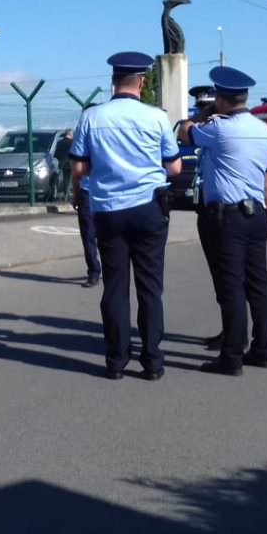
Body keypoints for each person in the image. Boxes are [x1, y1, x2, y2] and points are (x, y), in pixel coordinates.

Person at [69, 52, 182, 380]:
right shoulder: (156, 117)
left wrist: (81, 191)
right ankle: (153, 361)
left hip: (108, 210)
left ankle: (116, 361)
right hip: (149, 208)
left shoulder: (91, 117)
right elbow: (174, 166)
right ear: (142, 82)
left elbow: (79, 166)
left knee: (115, 287)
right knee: (150, 288)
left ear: (113, 81)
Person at [178, 66, 267, 377]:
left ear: (220, 99)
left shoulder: (218, 130)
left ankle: (231, 356)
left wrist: (203, 113)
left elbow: (184, 131)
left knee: (232, 286)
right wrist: (265, 214)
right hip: (258, 215)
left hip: (228, 218)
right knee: (259, 284)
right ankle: (261, 349)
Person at [183, 84, 225, 350]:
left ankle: (234, 334)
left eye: (207, 109)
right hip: (210, 206)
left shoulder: (216, 131)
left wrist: (202, 119)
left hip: (221, 212)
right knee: (223, 275)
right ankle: (233, 330)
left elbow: (185, 131)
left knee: (227, 276)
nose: (204, 116)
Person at [64, 130, 101, 287]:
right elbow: (76, 171)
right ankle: (93, 270)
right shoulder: (82, 141)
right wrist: (76, 194)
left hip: (103, 191)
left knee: (106, 233)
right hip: (88, 190)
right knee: (88, 233)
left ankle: (104, 268)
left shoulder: (104, 139)